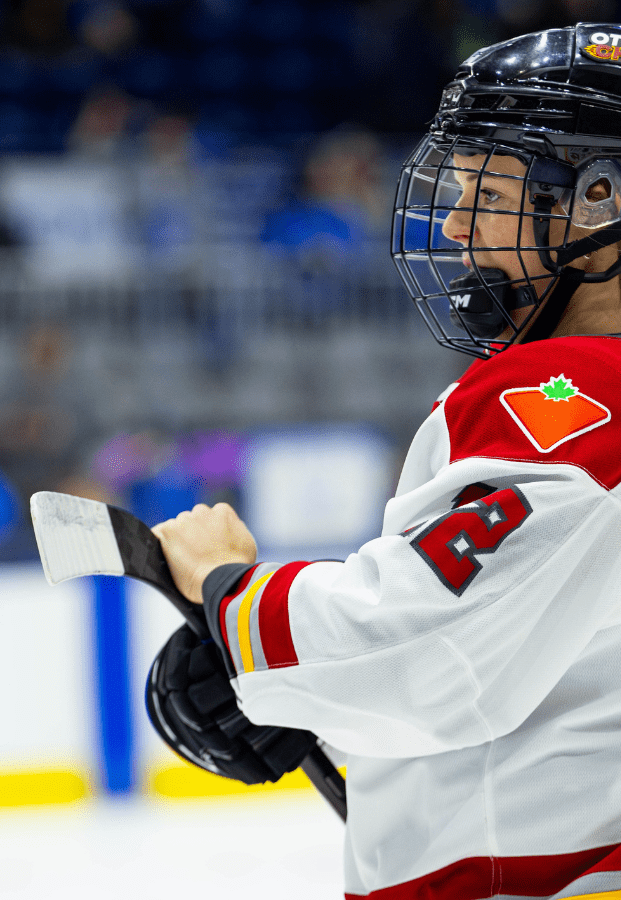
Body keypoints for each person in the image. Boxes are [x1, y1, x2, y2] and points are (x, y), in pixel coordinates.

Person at [145, 23, 621, 899]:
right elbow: (557, 679)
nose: (453, 220)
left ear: (600, 202)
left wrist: (230, 595)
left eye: (487, 190)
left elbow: (430, 655)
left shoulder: (579, 391)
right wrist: (316, 719)